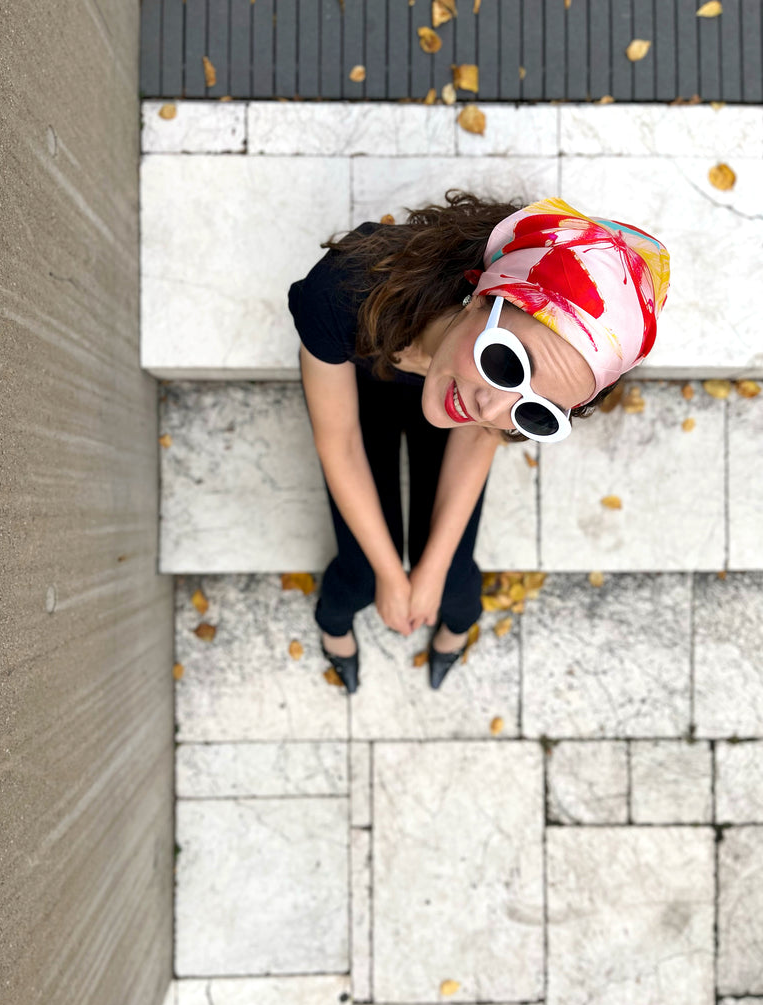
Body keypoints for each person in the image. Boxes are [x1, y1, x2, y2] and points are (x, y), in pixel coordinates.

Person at [287, 193, 670, 694]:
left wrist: (428, 576)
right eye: (506, 362)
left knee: (453, 580)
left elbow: (478, 438)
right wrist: (389, 574)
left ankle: (455, 629)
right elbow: (340, 443)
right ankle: (333, 628)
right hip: (361, 378)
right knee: (358, 575)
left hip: (446, 379)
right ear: (482, 294)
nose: (495, 411)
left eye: (535, 412)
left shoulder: (486, 403)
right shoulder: (340, 293)